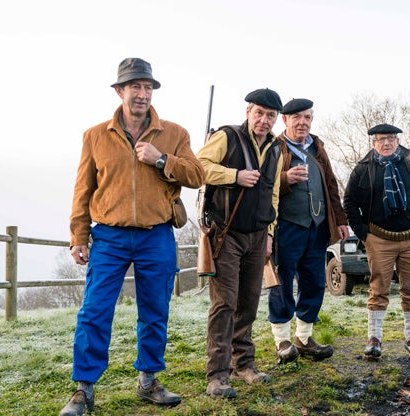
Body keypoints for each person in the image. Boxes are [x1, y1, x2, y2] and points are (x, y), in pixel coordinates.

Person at [60, 57, 205, 416]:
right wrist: (79, 235)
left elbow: (197, 175)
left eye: (148, 88)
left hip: (156, 236)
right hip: (107, 236)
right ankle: (84, 388)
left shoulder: (175, 133)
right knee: (94, 310)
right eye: (135, 87)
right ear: (119, 90)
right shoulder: (95, 136)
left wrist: (161, 159)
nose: (142, 94)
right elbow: (83, 189)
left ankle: (148, 380)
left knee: (155, 310)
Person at [196, 88, 283, 399]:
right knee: (224, 304)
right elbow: (198, 167)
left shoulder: (276, 148)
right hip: (226, 234)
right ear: (248, 111)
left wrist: (270, 233)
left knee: (248, 302)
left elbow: (272, 193)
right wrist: (235, 175)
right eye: (259, 112)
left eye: (270, 115)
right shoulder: (226, 136)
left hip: (258, 235)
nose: (264, 120)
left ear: (276, 119)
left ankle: (244, 365)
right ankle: (217, 375)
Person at [343, 123, 410, 360]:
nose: (386, 143)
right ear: (373, 143)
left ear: (397, 140)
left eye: (390, 138)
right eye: (380, 139)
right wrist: (364, 234)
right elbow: (349, 203)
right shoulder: (363, 169)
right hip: (379, 239)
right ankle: (374, 339)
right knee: (378, 289)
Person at [268, 98, 349, 364]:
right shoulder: (274, 147)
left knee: (314, 282)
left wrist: (339, 220)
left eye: (307, 117)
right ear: (285, 120)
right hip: (287, 226)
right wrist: (285, 179)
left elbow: (331, 185)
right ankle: (282, 339)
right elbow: (263, 183)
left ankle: (304, 338)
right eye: (296, 117)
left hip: (317, 228)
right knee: (282, 282)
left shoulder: (318, 147)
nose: (302, 122)